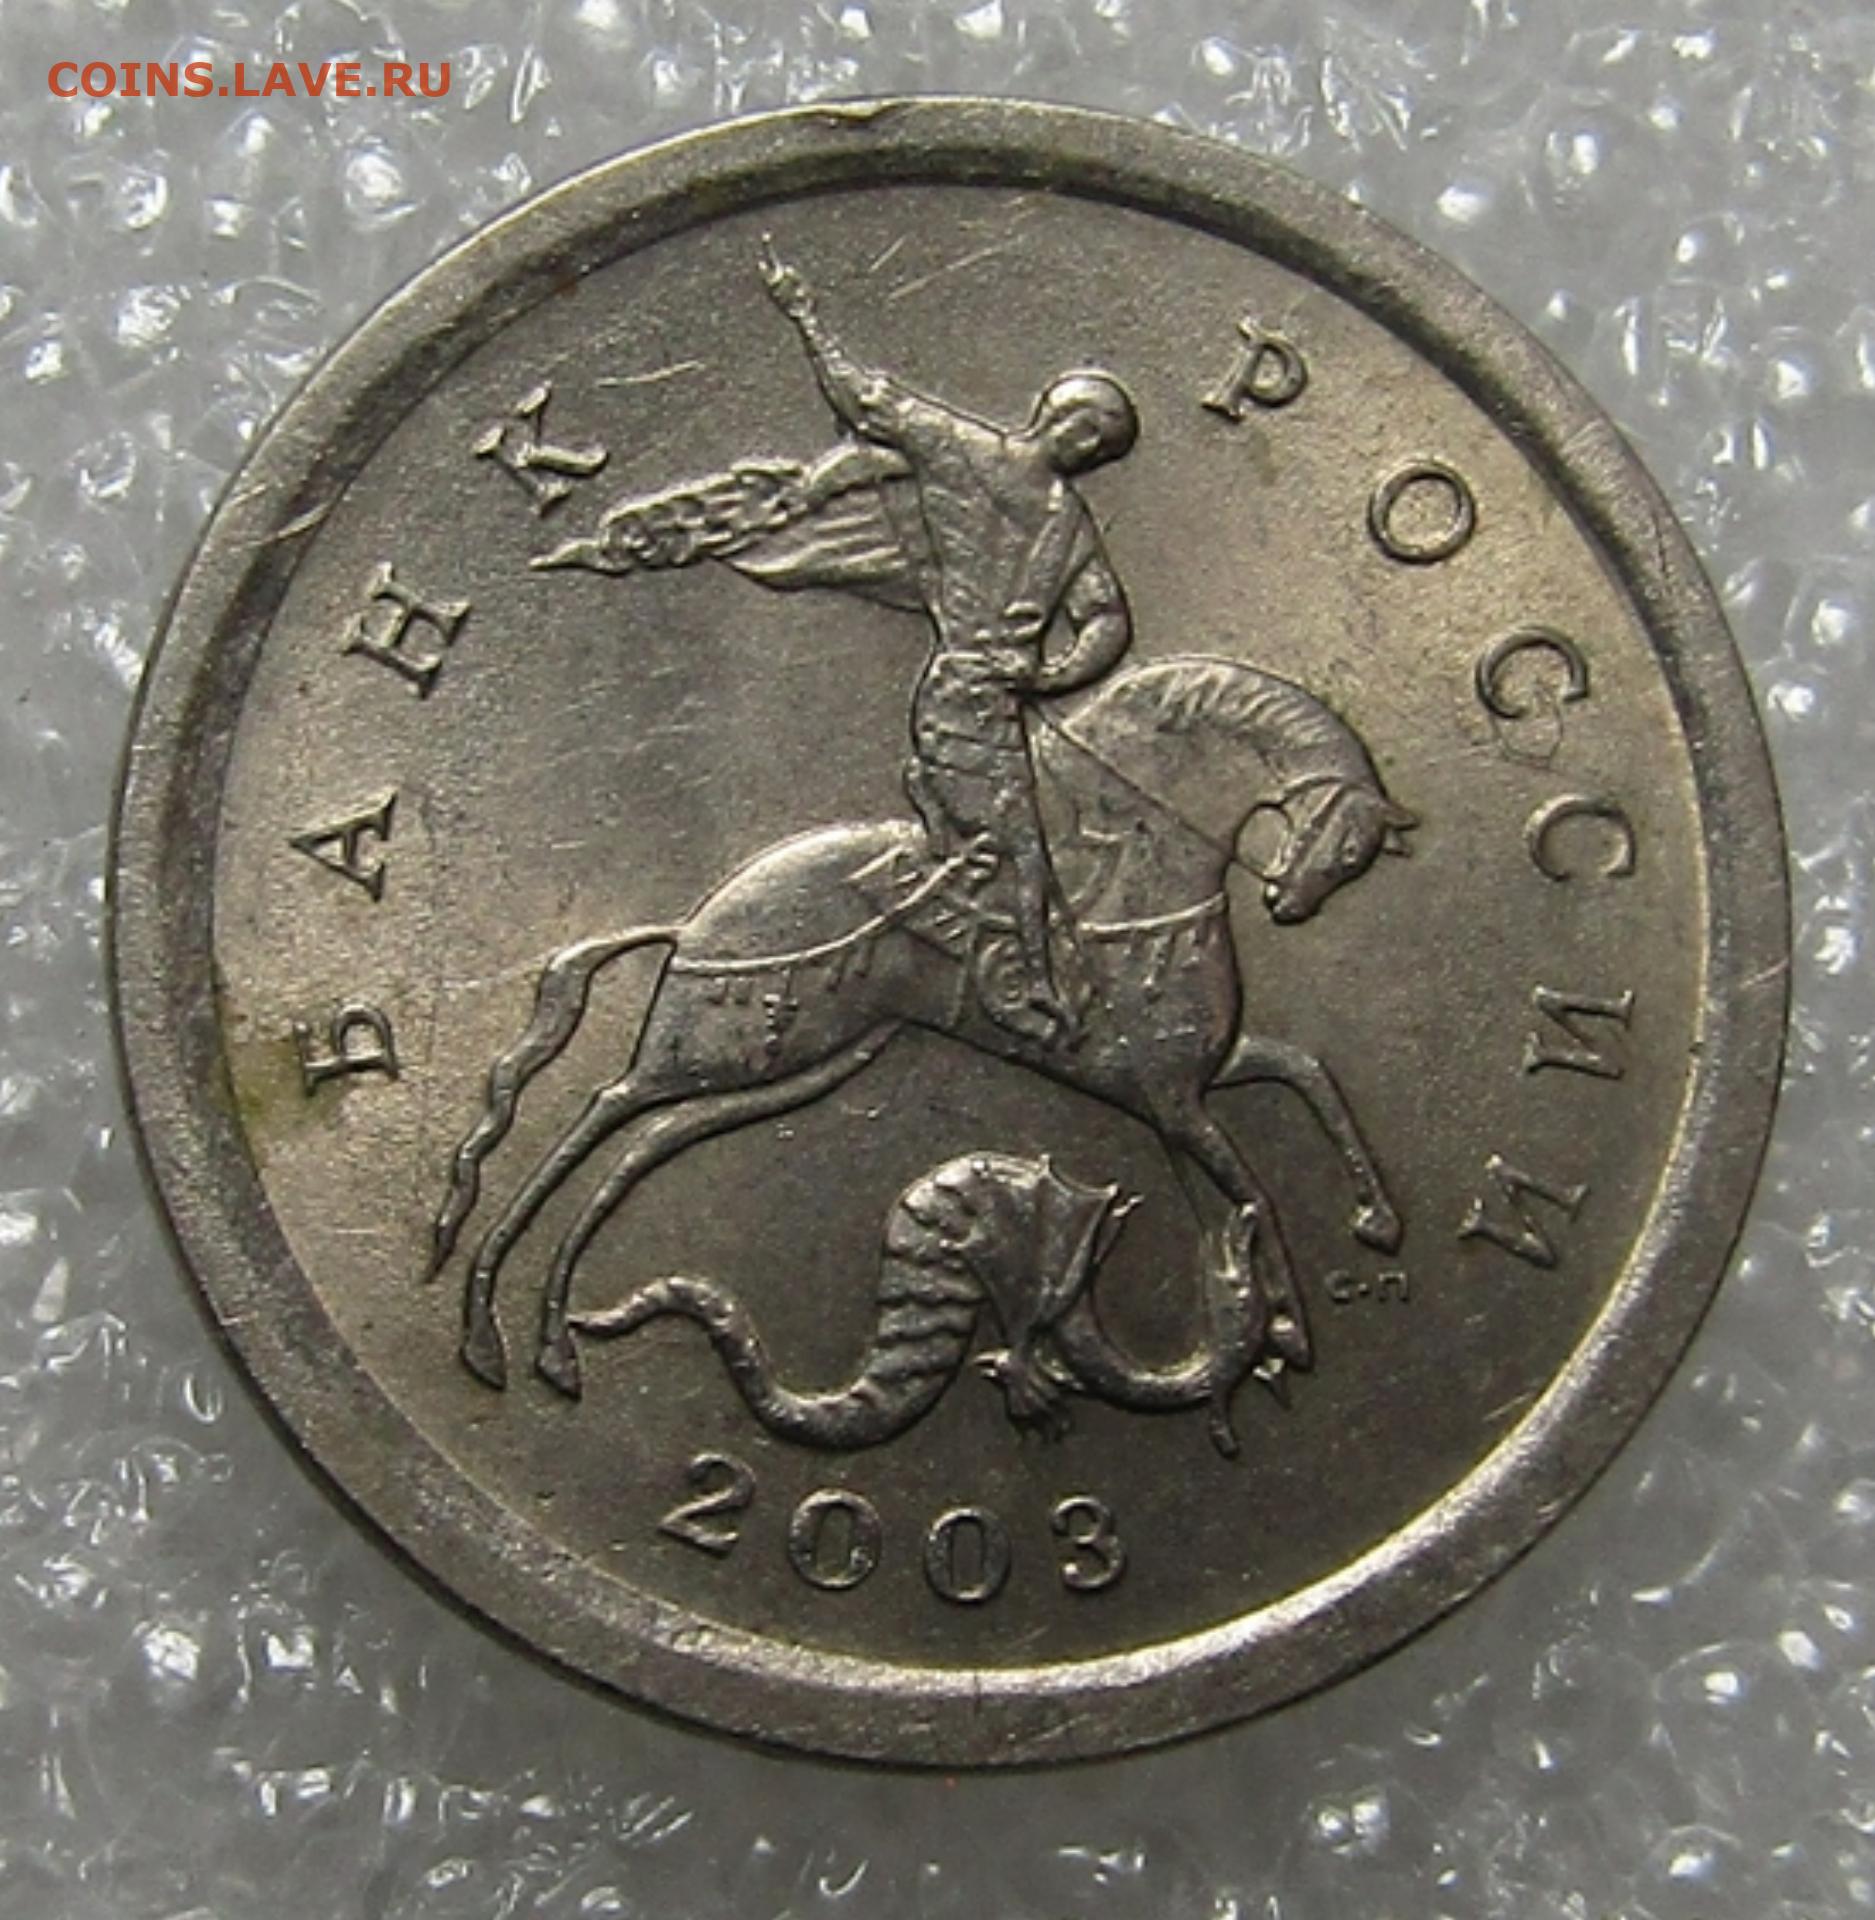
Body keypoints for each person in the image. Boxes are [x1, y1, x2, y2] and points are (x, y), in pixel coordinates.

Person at [758, 239, 1137, 1045]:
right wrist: (805, 318)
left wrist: (1050, 674)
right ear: (1056, 414)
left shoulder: (1066, 522)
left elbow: (1106, 617)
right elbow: (867, 402)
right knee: (1021, 852)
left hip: (1003, 701)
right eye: (1090, 427)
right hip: (959, 697)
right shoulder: (964, 452)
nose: (1091, 446)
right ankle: (1020, 988)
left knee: (1041, 840)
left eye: (1104, 444)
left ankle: (983, 925)